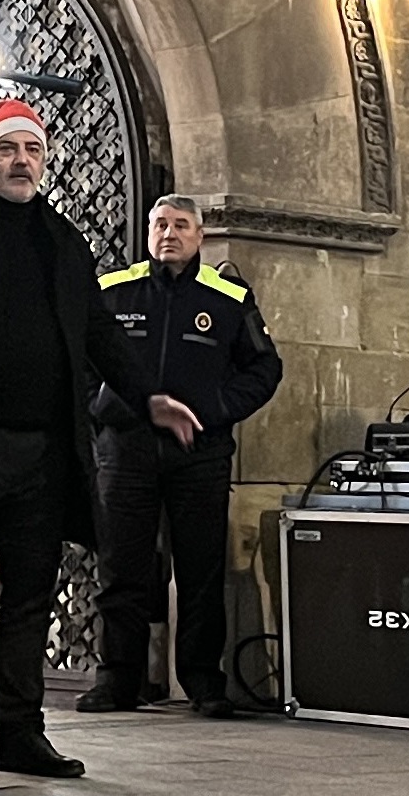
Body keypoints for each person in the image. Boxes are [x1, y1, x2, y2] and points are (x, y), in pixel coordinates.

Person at [84, 195, 287, 717]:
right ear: (147, 233)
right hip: (125, 453)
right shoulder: (111, 290)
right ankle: (118, 680)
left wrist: (215, 410)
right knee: (121, 568)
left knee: (200, 570)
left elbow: (264, 371)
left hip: (200, 453)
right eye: (159, 224)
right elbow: (78, 361)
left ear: (200, 236)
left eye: (180, 225)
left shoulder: (227, 296)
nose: (168, 233)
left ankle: (203, 683)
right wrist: (102, 407)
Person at [0, 99, 111, 779]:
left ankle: (19, 735)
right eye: (7, 150)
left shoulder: (61, 238)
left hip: (42, 453)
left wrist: (154, 396)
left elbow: (100, 331)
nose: (22, 162)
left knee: (27, 603)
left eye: (33, 151)